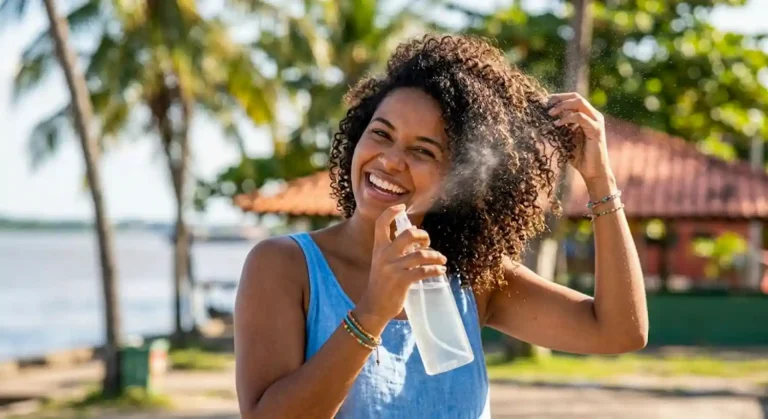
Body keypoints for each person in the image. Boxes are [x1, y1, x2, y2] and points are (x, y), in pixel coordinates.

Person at [234, 33, 648, 418]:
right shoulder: (284, 266)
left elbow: (619, 332)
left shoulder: (474, 279)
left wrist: (600, 180)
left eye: (423, 151)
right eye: (381, 133)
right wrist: (373, 311)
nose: (391, 160)